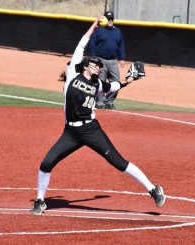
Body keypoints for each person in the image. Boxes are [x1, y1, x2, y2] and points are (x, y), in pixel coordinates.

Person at [31, 17, 165, 215]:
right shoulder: (72, 75)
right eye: (95, 65)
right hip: (70, 132)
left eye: (99, 66)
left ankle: (153, 190)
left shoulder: (97, 84)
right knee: (46, 163)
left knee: (119, 163)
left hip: (91, 129)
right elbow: (81, 43)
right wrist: (94, 26)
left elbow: (113, 86)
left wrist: (131, 79)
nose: (98, 67)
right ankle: (40, 201)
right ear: (85, 65)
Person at [88, 11, 126, 110]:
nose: (110, 21)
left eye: (111, 19)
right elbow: (92, 43)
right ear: (104, 19)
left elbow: (121, 45)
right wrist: (94, 57)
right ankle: (99, 102)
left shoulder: (117, 31)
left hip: (113, 61)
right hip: (101, 60)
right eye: (108, 19)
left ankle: (109, 101)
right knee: (100, 81)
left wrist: (122, 58)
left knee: (116, 81)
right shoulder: (99, 30)